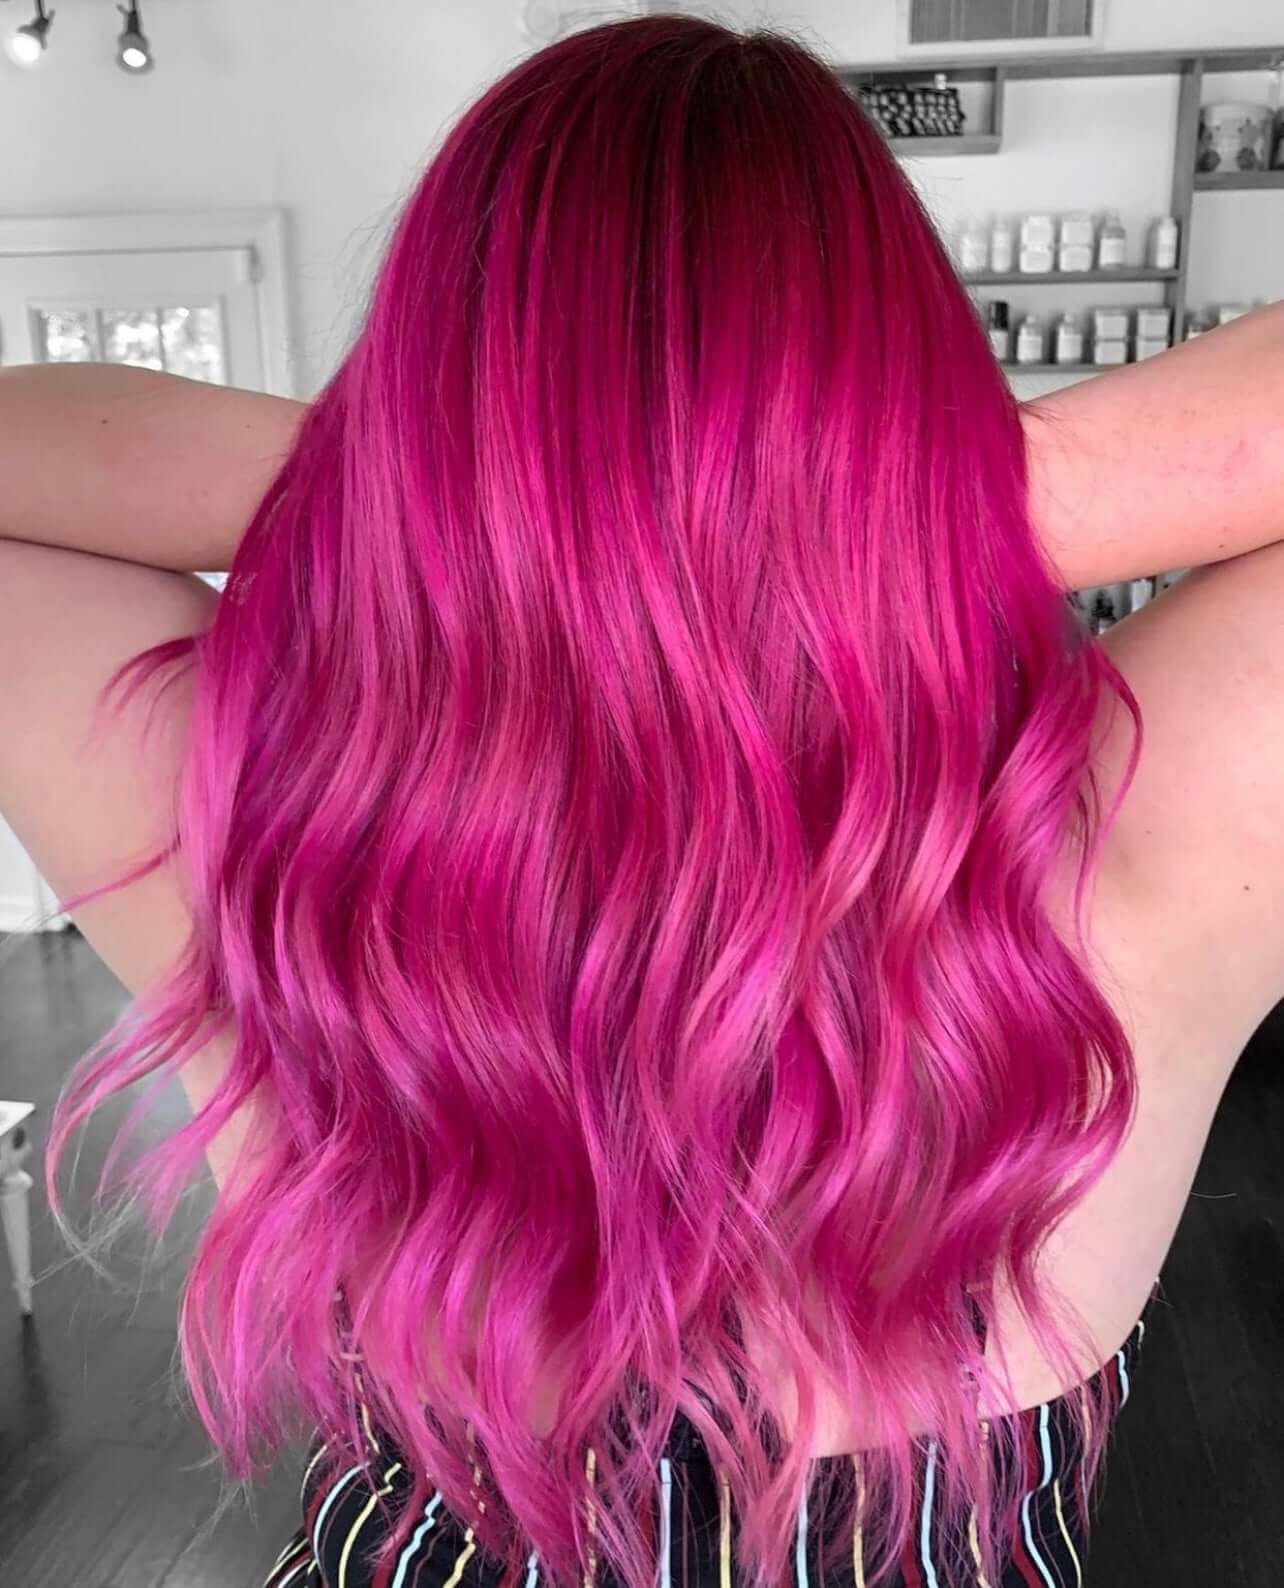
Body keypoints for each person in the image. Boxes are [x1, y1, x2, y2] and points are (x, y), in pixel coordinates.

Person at [0, 16, 1281, 1588]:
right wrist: (919, 497)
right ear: (908, 373)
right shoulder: (1126, 850)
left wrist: (460, 497)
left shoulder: (258, 850)